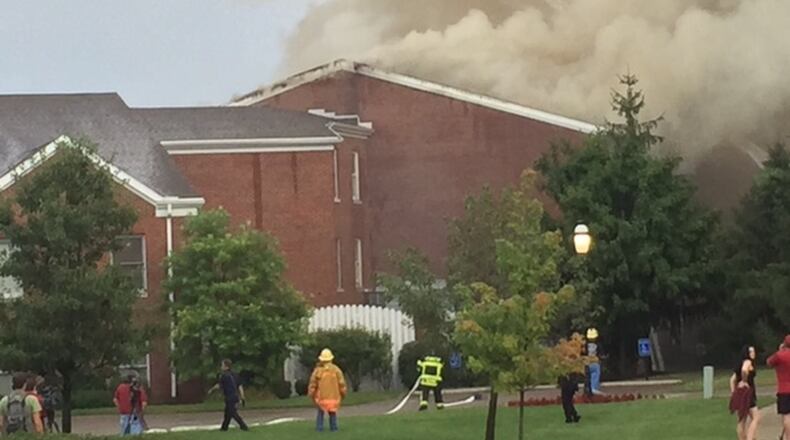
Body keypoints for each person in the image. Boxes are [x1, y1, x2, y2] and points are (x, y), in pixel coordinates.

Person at [308, 348, 347, 432]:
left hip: (321, 398)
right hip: (333, 398)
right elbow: (342, 383)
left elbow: (313, 384)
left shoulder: (318, 371)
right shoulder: (336, 370)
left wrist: (311, 394)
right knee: (332, 413)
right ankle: (334, 428)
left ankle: (319, 428)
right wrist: (343, 393)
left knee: (320, 413)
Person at [730, 345, 760, 440]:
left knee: (742, 420)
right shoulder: (747, 362)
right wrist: (744, 381)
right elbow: (744, 370)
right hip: (748, 393)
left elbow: (732, 380)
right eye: (751, 352)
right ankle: (750, 438)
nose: (753, 353)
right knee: (756, 417)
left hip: (740, 393)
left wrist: (734, 393)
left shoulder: (739, 364)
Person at [212, 359, 248, 432]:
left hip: (229, 397)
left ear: (226, 367)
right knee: (227, 413)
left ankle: (243, 426)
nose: (221, 367)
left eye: (222, 365)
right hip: (235, 396)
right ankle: (224, 428)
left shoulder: (224, 376)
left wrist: (212, 389)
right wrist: (242, 396)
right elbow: (240, 386)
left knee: (232, 412)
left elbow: (219, 385)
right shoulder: (235, 375)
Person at [767, 335, 790, 440]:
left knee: (786, 416)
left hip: (784, 389)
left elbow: (769, 362)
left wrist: (780, 350)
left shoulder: (780, 355)